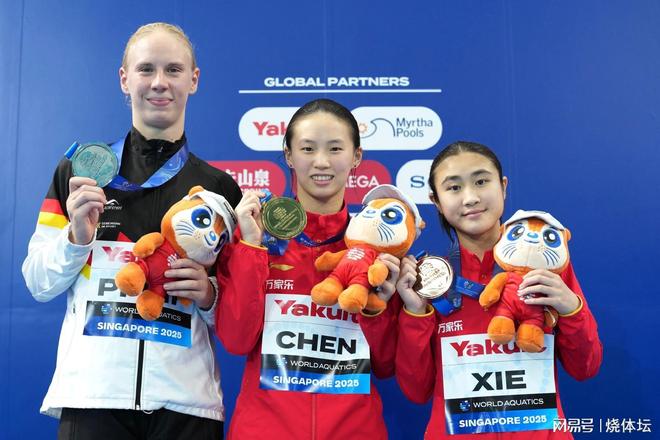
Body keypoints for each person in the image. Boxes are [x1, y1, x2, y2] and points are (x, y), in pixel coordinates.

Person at [22, 22, 241, 439]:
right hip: (93, 400)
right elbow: (38, 282)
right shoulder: (80, 173)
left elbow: (236, 320)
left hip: (186, 407)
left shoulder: (219, 190)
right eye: (146, 69)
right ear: (124, 79)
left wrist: (210, 295)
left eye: (173, 70)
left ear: (194, 80)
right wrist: (76, 240)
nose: (159, 82)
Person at [390, 141, 602, 439]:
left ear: (502, 186)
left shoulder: (549, 264)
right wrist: (415, 313)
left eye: (481, 181)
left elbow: (585, 368)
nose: (471, 197)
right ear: (436, 201)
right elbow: (416, 390)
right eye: (454, 188)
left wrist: (571, 309)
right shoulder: (427, 279)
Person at [215, 98, 400, 439]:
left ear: (356, 156)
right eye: (308, 148)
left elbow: (386, 365)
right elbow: (236, 341)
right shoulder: (256, 238)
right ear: (288, 155)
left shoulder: (378, 247)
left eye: (335, 148)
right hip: (264, 430)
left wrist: (377, 311)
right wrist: (251, 247)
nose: (321, 161)